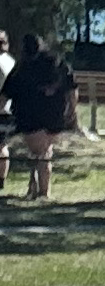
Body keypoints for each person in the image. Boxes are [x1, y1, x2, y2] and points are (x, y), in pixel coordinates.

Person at [6, 28, 77, 199]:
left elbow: (6, 92)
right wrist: (73, 112)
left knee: (38, 153)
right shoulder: (58, 63)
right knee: (45, 152)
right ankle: (39, 188)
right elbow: (72, 88)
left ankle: (40, 190)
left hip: (29, 115)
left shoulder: (22, 68)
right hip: (55, 114)